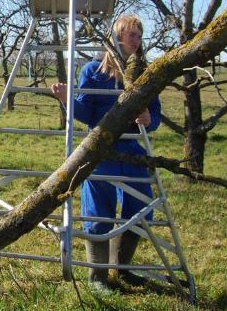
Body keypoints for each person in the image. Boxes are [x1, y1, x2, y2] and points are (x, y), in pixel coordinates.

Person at [50, 15, 161, 291]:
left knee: (141, 208)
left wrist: (149, 118)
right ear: (118, 37)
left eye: (139, 35)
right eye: (131, 35)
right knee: (99, 211)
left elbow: (156, 114)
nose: (136, 40)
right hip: (101, 151)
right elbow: (86, 112)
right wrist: (68, 101)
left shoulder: (144, 74)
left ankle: (122, 269)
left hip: (133, 151)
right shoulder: (93, 70)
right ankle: (98, 276)